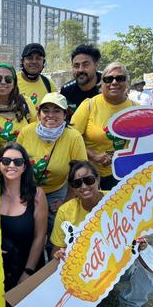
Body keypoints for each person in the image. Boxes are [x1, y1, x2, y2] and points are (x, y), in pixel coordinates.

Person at [51, 161, 153, 307]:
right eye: (77, 183)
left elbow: (138, 233)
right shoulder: (65, 211)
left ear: (98, 179)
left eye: (89, 180)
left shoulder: (118, 200)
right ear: (73, 187)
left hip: (120, 264)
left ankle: (131, 303)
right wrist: (59, 255)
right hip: (86, 271)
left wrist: (141, 244)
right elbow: (55, 251)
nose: (84, 186)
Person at [16, 92, 87, 233]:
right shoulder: (26, 132)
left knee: (57, 232)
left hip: (56, 192)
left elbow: (79, 173)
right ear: (39, 113)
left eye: (57, 111)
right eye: (46, 110)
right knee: (26, 232)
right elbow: (16, 163)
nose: (51, 115)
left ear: (65, 115)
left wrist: (66, 202)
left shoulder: (74, 137)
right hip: (28, 190)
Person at [71, 61, 135, 191]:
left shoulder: (136, 109)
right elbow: (71, 139)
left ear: (127, 82)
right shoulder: (89, 105)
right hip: (91, 176)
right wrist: (93, 155)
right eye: (109, 79)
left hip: (125, 176)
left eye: (120, 78)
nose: (114, 82)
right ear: (102, 82)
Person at [0, 143, 47, 291]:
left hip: (25, 265)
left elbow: (40, 237)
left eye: (18, 162)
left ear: (24, 167)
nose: (11, 165)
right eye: (6, 161)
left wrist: (28, 272)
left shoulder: (37, 195)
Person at [0, 63, 37, 145]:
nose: (3, 82)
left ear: (14, 84)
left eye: (8, 79)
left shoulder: (26, 103)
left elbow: (36, 132)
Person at [60, 44, 102, 116]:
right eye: (76, 66)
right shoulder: (66, 91)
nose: (80, 70)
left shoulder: (108, 85)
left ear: (96, 65)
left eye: (85, 65)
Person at [17, 43, 53, 108]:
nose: (34, 61)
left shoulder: (49, 84)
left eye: (38, 58)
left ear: (43, 62)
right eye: (29, 58)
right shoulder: (11, 82)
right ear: (22, 61)